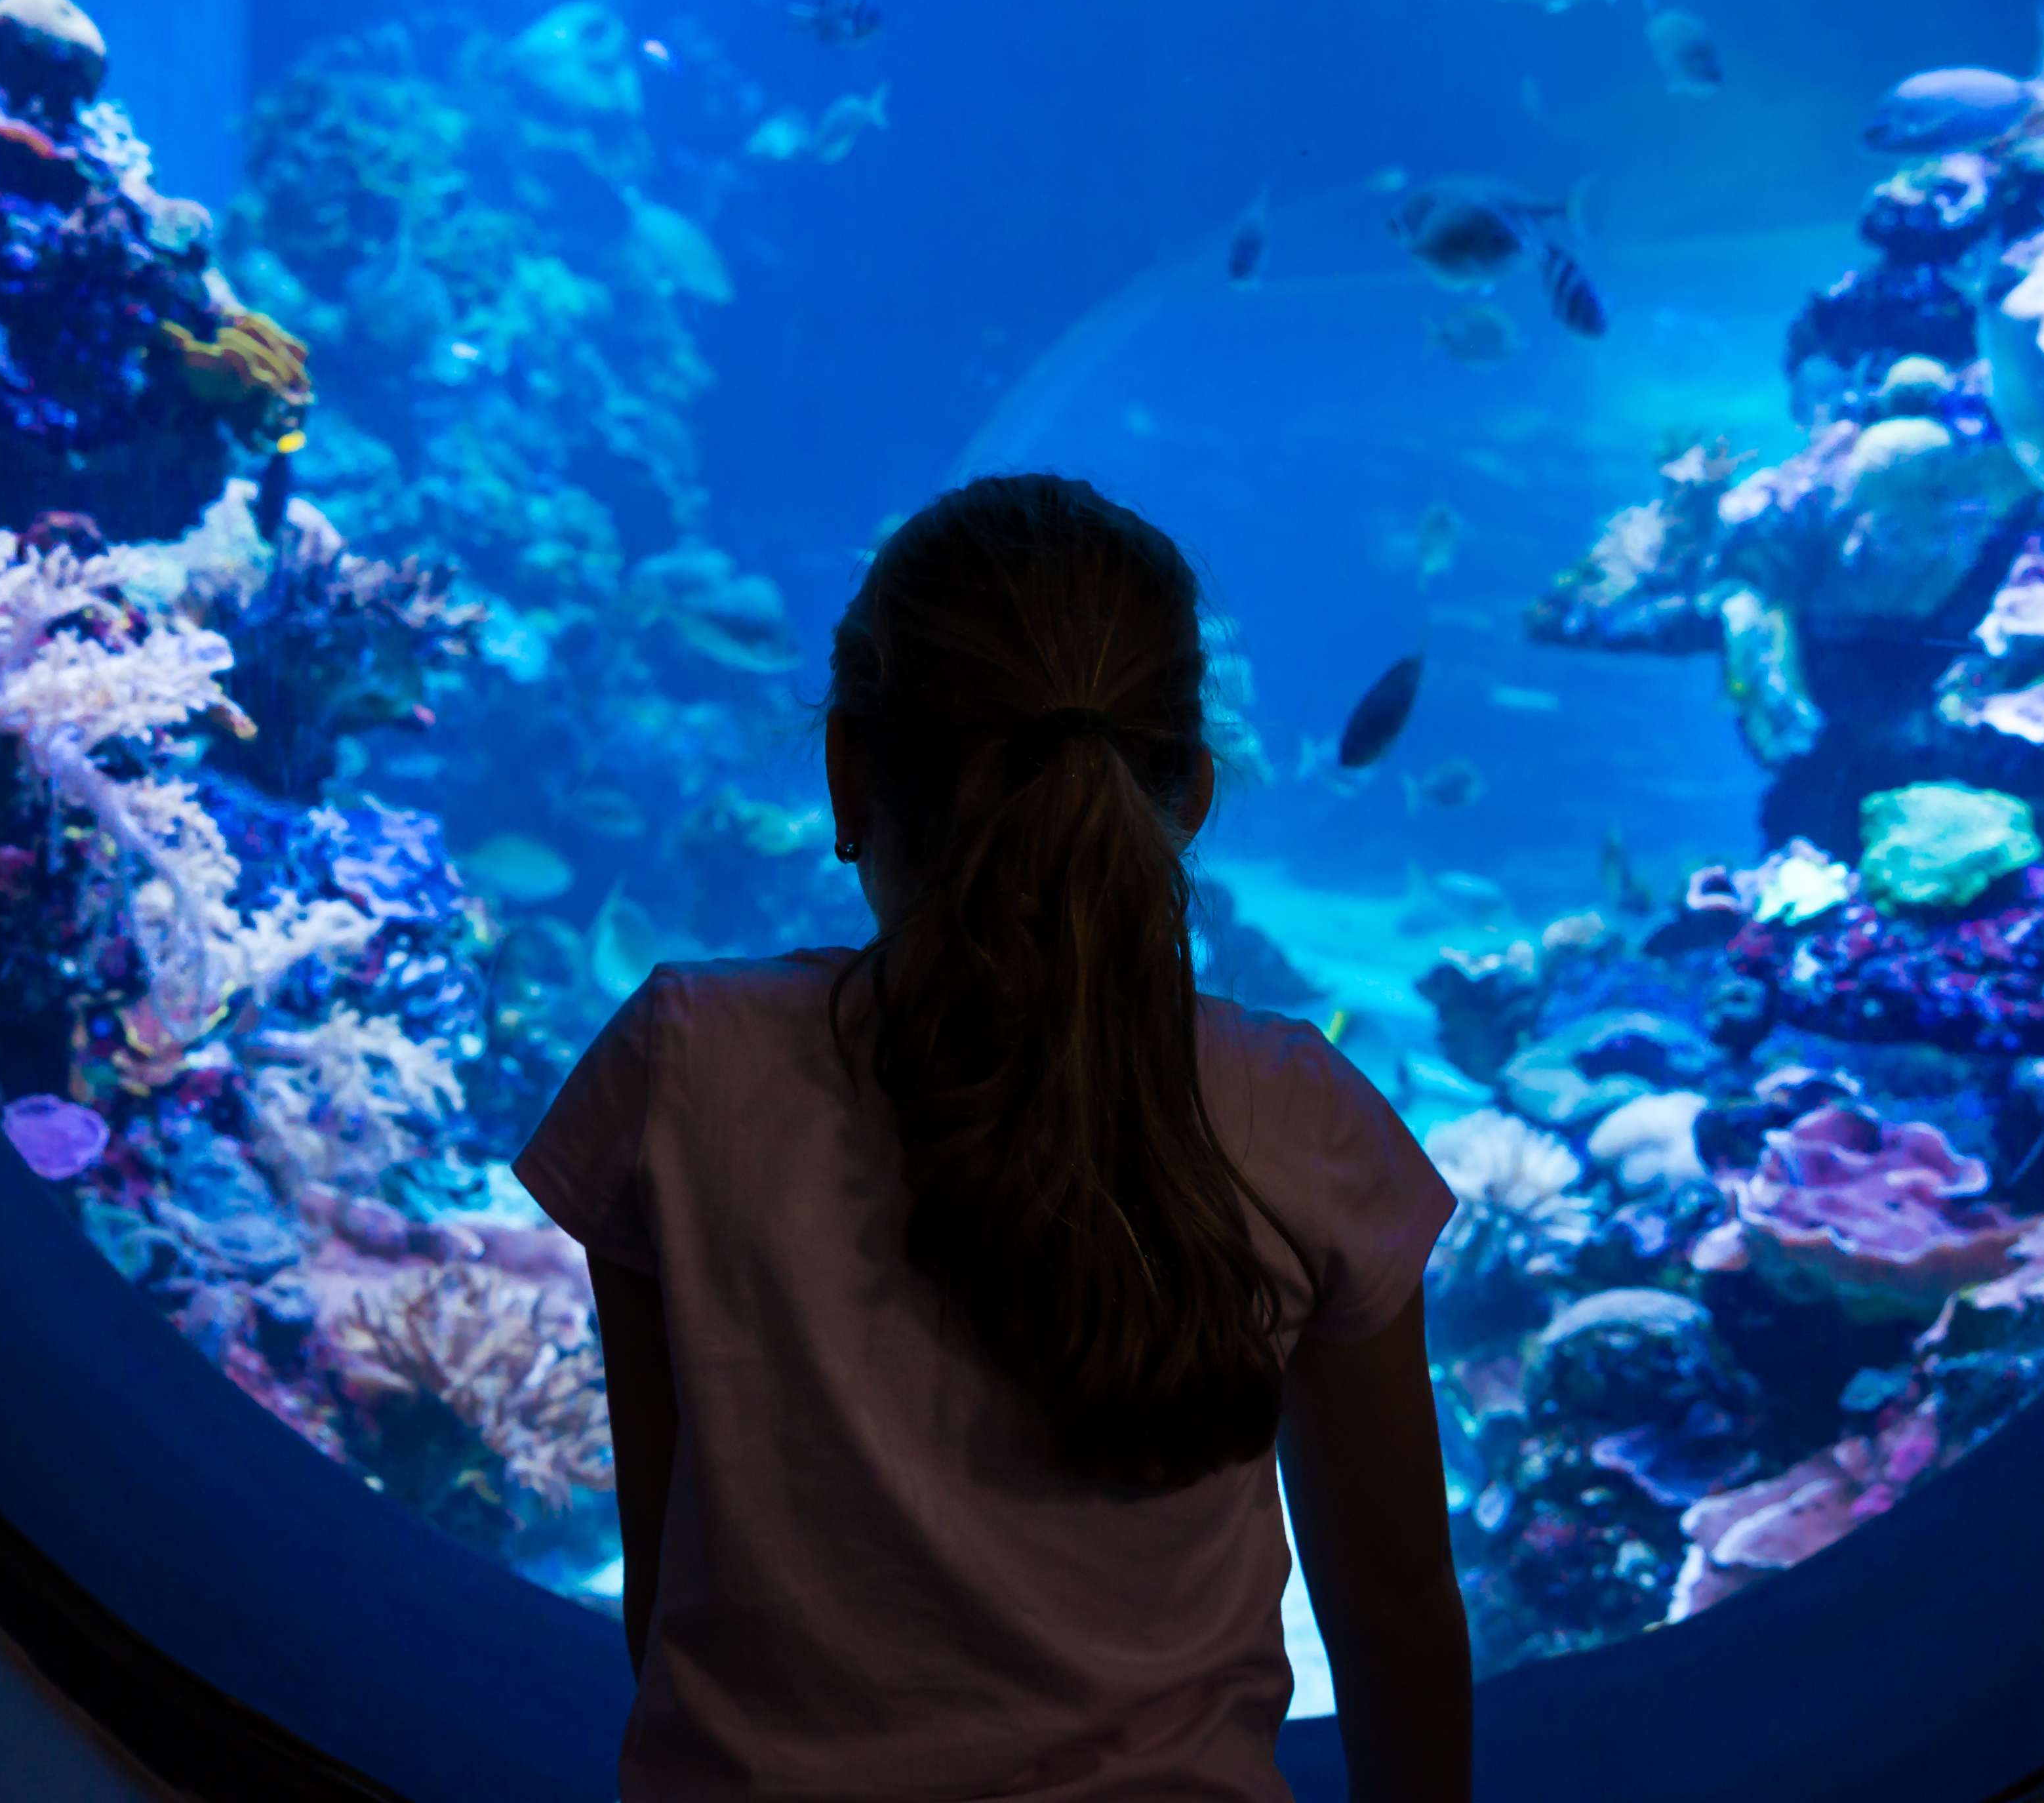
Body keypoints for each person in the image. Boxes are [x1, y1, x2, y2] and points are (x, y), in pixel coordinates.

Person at [519, 474, 1470, 1802]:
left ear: (849, 772)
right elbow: (1399, 1621)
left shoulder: (678, 1068)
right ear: (1189, 791)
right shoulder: (1302, 1113)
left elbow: (673, 1584)